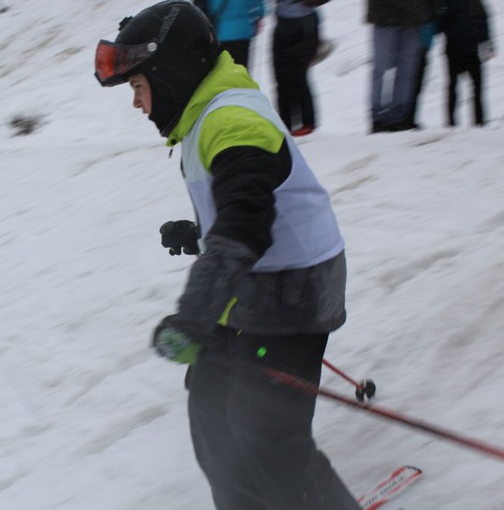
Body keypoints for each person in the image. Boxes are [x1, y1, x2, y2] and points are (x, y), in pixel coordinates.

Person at [94, 2, 359, 508]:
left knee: (267, 440)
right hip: (249, 290)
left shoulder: (231, 119)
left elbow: (244, 226)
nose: (137, 104)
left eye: (137, 87)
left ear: (169, 74)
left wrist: (193, 317)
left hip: (291, 297)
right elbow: (246, 210)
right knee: (214, 421)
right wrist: (200, 230)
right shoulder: (207, 114)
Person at [366, 0, 438, 133]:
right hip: (386, 18)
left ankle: (399, 117)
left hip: (413, 20)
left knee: (407, 71)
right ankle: (379, 118)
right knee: (382, 69)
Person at [272, 0, 329, 136]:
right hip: (283, 21)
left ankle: (307, 124)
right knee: (281, 76)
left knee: (299, 75)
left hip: (303, 23)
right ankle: (285, 125)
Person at [440, 0, 494, 127]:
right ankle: (474, 122)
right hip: (460, 49)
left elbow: (483, 21)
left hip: (463, 49)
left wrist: (487, 45)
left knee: (457, 87)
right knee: (464, 87)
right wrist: (487, 44)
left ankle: (467, 122)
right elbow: (483, 21)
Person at [193, 0, 266, 70]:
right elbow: (257, 7)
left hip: (222, 34)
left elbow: (210, 9)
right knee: (242, 69)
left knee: (224, 70)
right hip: (243, 32)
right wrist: (257, 17)